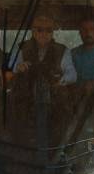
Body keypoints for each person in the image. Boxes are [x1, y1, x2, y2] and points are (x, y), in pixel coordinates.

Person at [11, 14, 75, 150]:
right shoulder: (20, 47)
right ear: (32, 31)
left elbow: (72, 74)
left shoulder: (63, 50)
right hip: (24, 103)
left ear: (53, 32)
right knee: (23, 140)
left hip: (54, 104)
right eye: (39, 29)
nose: (43, 33)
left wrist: (60, 81)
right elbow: (9, 67)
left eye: (48, 30)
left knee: (54, 140)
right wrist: (18, 67)